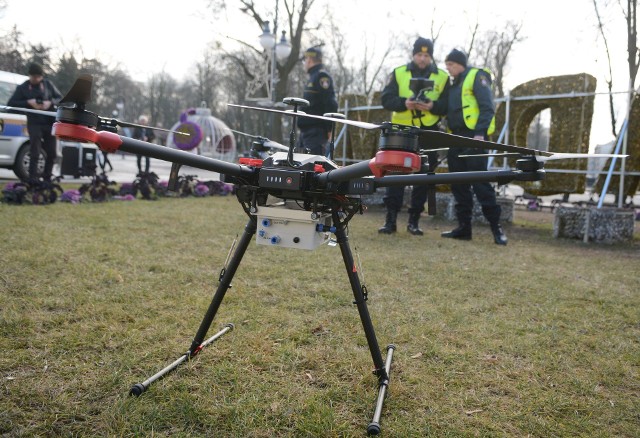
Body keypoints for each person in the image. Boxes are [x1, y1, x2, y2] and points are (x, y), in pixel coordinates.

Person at [429, 48, 507, 245]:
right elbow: (444, 107)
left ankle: (496, 228)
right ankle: (464, 228)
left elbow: (487, 107)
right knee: (458, 184)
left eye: (451, 65)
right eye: (446, 66)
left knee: (481, 182)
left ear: (461, 64)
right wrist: (429, 105)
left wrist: (480, 133)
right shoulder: (453, 84)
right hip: (454, 138)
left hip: (473, 138)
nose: (448, 69)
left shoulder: (476, 76)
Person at [378, 37, 450, 235]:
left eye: (427, 55)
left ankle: (414, 221)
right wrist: (404, 103)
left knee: (423, 177)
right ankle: (390, 220)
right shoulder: (399, 72)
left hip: (428, 131)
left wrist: (433, 106)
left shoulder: (442, 77)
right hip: (401, 132)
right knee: (395, 175)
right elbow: (385, 99)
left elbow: (448, 106)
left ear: (431, 57)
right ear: (413, 54)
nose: (422, 59)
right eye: (419, 54)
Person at [7, 62, 62, 182]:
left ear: (42, 76)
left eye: (38, 77)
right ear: (29, 76)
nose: (36, 79)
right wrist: (28, 102)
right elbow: (11, 104)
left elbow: (60, 98)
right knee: (35, 151)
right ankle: (32, 179)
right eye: (33, 77)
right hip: (34, 123)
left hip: (49, 122)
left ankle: (47, 179)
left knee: (52, 153)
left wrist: (50, 103)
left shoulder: (48, 85)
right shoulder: (22, 88)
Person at [296, 46, 338, 156]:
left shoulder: (321, 76)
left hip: (316, 133)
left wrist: (330, 129)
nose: (305, 63)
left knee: (312, 168)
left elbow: (330, 104)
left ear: (309, 59)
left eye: (305, 60)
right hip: (307, 133)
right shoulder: (313, 77)